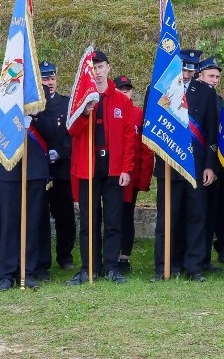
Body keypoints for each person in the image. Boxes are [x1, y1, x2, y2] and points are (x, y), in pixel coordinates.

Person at [66, 50, 135, 285]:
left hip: (114, 169)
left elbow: (128, 137)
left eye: (100, 67)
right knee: (88, 221)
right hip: (89, 167)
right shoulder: (81, 101)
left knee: (114, 220)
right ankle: (89, 267)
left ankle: (112, 267)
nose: (96, 72)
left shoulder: (121, 100)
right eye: (92, 68)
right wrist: (84, 114)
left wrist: (126, 168)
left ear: (108, 68)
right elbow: (72, 132)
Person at [152, 48, 218, 282]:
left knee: (196, 217)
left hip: (196, 166)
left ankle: (194, 266)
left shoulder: (206, 93)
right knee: (168, 218)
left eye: (192, 68)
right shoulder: (161, 89)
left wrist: (210, 165)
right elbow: (151, 127)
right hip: (169, 165)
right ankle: (165, 265)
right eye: (185, 67)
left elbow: (211, 132)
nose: (188, 72)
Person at [0, 112, 50, 291]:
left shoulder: (40, 99)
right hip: (8, 166)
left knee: (31, 223)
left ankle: (27, 271)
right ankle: (6, 274)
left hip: (34, 169)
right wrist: (12, 126)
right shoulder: (0, 96)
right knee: (8, 222)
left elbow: (53, 133)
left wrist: (37, 117)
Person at [35, 60, 76, 275]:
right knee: (40, 216)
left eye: (51, 78)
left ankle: (65, 255)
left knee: (65, 216)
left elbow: (72, 134)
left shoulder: (66, 103)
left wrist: (60, 152)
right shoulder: (32, 105)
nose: (49, 82)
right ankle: (42, 260)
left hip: (60, 169)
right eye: (44, 78)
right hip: (38, 169)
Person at [114, 75, 153, 274]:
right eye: (121, 89)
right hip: (112, 173)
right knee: (112, 215)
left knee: (126, 216)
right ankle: (110, 254)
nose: (125, 93)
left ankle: (124, 258)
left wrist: (144, 179)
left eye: (128, 90)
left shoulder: (139, 114)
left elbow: (146, 149)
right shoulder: (112, 111)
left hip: (132, 175)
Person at [196, 57, 224, 268]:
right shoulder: (192, 98)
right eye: (211, 76)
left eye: (217, 77)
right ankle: (202, 254)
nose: (215, 80)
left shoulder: (221, 102)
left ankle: (222, 247)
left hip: (221, 165)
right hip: (201, 165)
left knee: (221, 209)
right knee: (203, 212)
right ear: (200, 76)